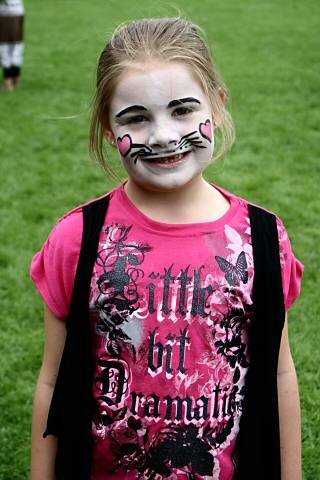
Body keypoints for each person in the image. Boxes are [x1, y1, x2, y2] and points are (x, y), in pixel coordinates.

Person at [30, 18, 303, 480]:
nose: (161, 135)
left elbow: (279, 376)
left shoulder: (260, 240)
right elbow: (53, 382)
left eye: (182, 110)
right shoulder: (79, 237)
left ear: (216, 106)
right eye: (135, 117)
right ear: (106, 126)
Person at [0, 0, 24, 90]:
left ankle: (8, 82)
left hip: (6, 14)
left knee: (5, 47)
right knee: (16, 46)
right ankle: (16, 79)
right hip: (18, 12)